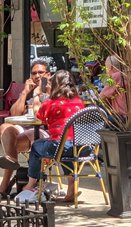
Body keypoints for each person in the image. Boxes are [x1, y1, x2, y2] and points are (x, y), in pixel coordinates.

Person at [15, 69, 84, 202]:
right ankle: (71, 187)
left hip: (58, 146)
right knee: (67, 148)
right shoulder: (79, 102)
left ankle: (31, 183)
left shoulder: (51, 103)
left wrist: (36, 96)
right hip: (81, 147)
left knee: (36, 146)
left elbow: (38, 115)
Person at [0, 59, 51, 197]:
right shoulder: (28, 91)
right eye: (34, 73)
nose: (37, 76)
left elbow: (41, 117)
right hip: (25, 129)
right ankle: (11, 159)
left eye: (41, 72)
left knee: (13, 144)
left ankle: (4, 185)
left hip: (42, 132)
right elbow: (15, 113)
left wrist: (39, 94)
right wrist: (24, 93)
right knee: (5, 126)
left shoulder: (51, 91)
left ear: (48, 74)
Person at [99, 55, 131, 128]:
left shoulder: (116, 76)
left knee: (95, 119)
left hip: (124, 118)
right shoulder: (126, 75)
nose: (105, 71)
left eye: (106, 67)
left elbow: (101, 97)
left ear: (110, 67)